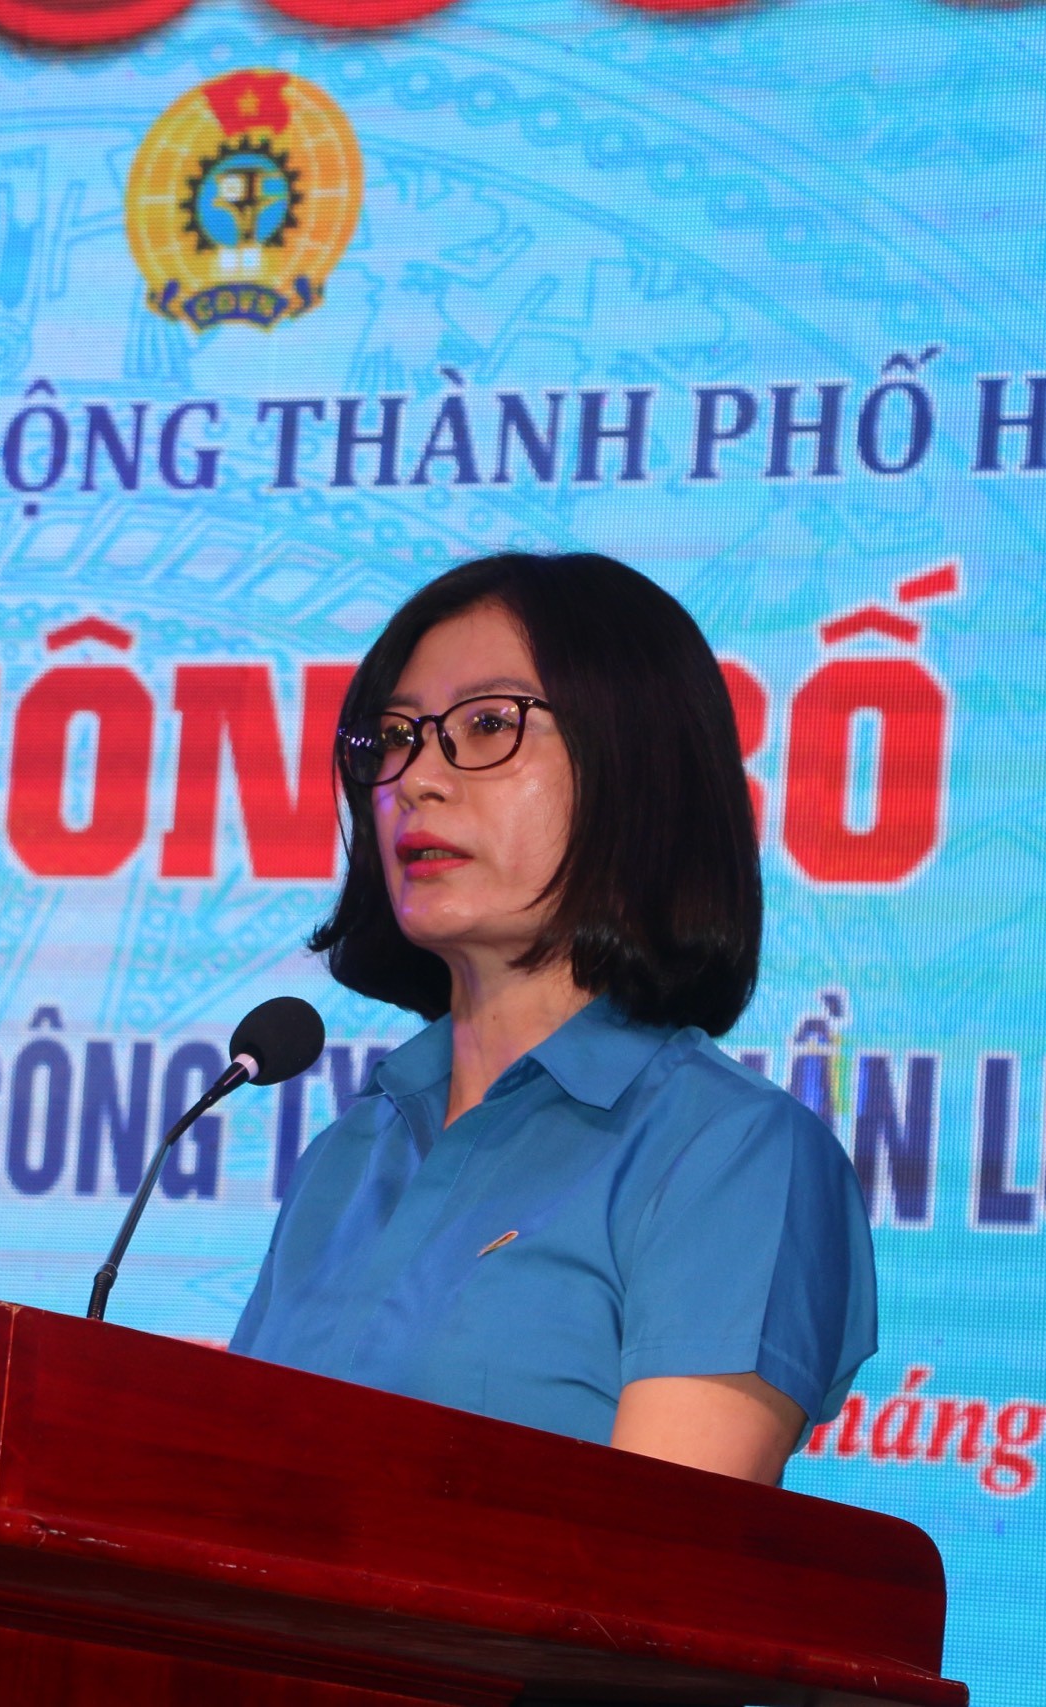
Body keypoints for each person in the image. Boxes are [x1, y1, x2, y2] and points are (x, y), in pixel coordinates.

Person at [230, 551, 875, 1485]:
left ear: (634, 767)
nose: (416, 778)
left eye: (487, 724)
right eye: (395, 736)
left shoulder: (729, 1153)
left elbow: (662, 1553)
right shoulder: (350, 1152)